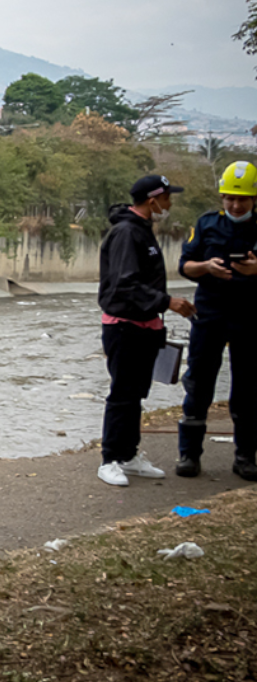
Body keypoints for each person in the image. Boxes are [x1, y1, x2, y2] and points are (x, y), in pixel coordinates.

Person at [96, 175, 196, 487]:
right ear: (153, 200)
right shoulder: (126, 232)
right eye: (167, 197)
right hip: (124, 327)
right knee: (122, 394)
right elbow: (125, 283)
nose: (170, 203)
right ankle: (110, 459)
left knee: (136, 393)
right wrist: (167, 302)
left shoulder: (142, 230)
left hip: (145, 326)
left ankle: (129, 455)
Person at [175, 161, 257, 481]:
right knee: (198, 385)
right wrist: (206, 267)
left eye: (243, 199)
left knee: (248, 390)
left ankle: (245, 456)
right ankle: (189, 455)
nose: (236, 205)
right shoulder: (206, 225)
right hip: (209, 316)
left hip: (250, 319)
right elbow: (185, 267)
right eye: (230, 198)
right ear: (222, 197)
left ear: (254, 199)